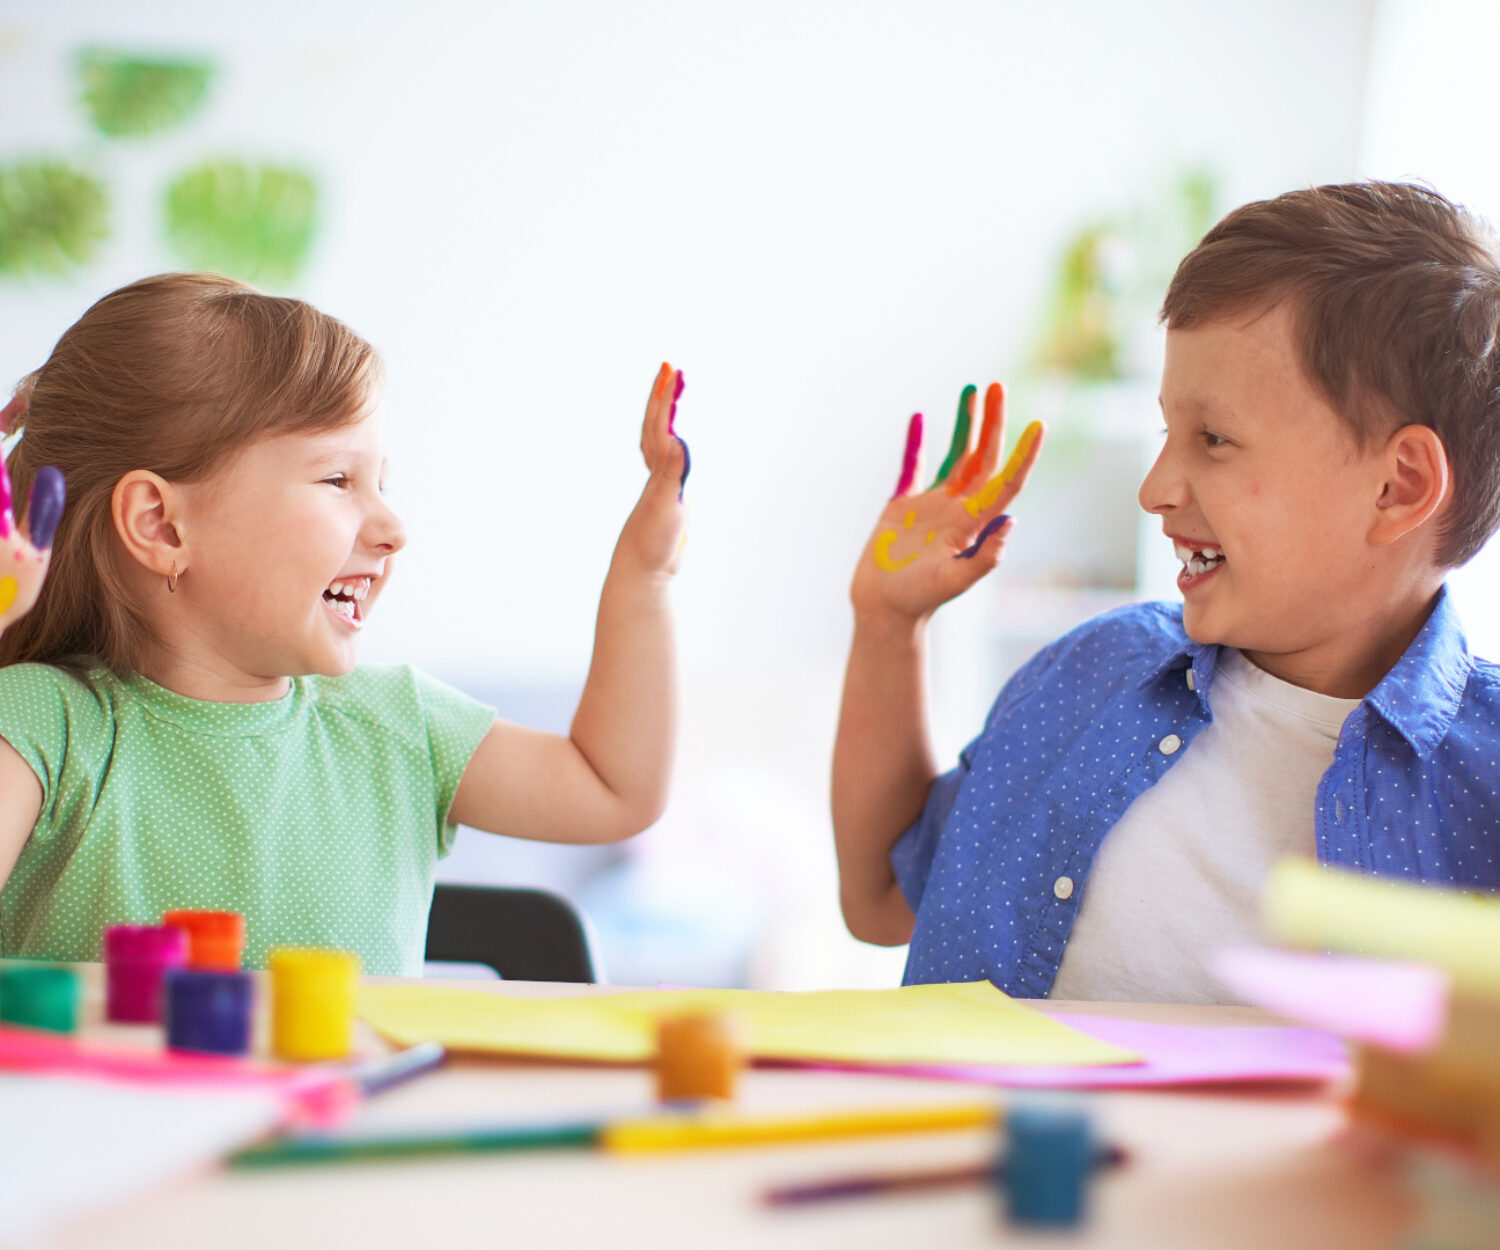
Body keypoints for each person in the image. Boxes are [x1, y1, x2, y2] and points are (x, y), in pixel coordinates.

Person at [832, 181, 1500, 1004]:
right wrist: (886, 624)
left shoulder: (1487, 788)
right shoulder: (1087, 674)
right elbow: (880, 898)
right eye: (1166, 432)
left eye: (1213, 439)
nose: (1154, 489)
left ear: (1398, 486)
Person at [0, 272, 688, 974]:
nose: (393, 528)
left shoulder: (399, 726)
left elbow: (612, 788)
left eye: (381, 483)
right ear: (161, 525)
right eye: (338, 481)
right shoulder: (41, 726)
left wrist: (643, 577)